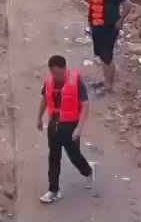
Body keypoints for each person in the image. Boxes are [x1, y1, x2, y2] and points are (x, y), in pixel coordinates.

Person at [37, 54, 92, 203]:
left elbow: (85, 106)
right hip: (54, 125)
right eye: (53, 73)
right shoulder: (49, 82)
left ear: (64, 69)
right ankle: (53, 190)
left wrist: (79, 128)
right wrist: (39, 118)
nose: (56, 76)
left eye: (58, 73)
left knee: (74, 156)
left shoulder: (76, 82)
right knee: (54, 157)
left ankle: (87, 171)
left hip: (70, 126)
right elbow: (44, 99)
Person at [87, 0, 126, 94]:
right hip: (97, 27)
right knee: (102, 57)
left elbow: (128, 5)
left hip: (109, 28)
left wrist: (121, 21)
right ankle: (105, 81)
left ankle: (110, 86)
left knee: (107, 57)